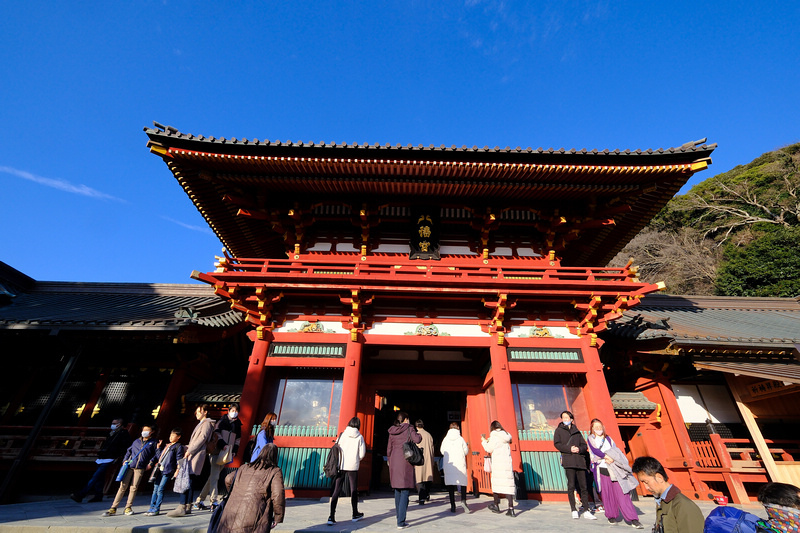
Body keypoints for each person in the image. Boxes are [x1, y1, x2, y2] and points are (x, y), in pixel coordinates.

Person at [586, 418, 642, 528]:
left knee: (623, 493)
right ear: (592, 429)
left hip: (614, 468)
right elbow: (595, 451)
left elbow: (616, 452)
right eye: (595, 427)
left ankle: (633, 519)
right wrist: (606, 457)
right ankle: (611, 516)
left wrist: (611, 458)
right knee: (607, 494)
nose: (598, 428)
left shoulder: (609, 439)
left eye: (599, 426)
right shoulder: (590, 439)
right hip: (602, 468)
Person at [217, 443, 285, 533]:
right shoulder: (274, 471)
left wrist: (234, 493)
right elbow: (278, 494)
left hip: (230, 513)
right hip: (254, 514)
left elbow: (228, 479)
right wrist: (278, 516)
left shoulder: (245, 467)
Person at [631, 456, 703, 533]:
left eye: (646, 482)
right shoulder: (663, 502)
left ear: (659, 478)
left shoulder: (683, 505)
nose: (646, 487)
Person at [168, 403, 214, 517]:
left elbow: (202, 438)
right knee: (190, 480)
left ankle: (182, 505)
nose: (197, 414)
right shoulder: (202, 423)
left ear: (205, 412)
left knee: (185, 478)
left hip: (195, 454)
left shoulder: (207, 424)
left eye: (199, 411)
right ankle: (188, 505)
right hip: (193, 452)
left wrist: (190, 450)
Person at [71, 417, 131, 503]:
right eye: (112, 423)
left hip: (111, 457)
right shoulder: (111, 433)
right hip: (103, 457)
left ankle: (81, 494)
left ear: (119, 424)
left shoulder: (123, 434)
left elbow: (125, 447)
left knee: (96, 476)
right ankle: (98, 495)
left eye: (115, 423)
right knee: (100, 477)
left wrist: (119, 457)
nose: (113, 425)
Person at [102, 423, 158, 516]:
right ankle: (113, 507)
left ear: (152, 432)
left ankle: (128, 507)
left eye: (147, 430)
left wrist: (151, 463)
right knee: (122, 486)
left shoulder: (154, 442)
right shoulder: (136, 441)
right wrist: (125, 460)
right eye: (144, 430)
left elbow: (156, 455)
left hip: (140, 467)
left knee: (134, 487)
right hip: (130, 466)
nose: (144, 432)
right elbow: (129, 451)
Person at [196, 403, 242, 509]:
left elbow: (238, 439)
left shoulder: (238, 424)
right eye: (232, 410)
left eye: (236, 410)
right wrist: (223, 444)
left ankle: (199, 500)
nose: (234, 412)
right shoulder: (221, 422)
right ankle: (214, 500)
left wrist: (234, 450)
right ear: (228, 411)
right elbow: (217, 434)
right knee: (215, 476)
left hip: (226, 452)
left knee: (213, 476)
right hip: (217, 451)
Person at [553, 410, 596, 520]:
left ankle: (586, 509)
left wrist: (579, 449)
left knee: (584, 486)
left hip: (580, 461)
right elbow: (557, 444)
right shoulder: (558, 431)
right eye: (563, 417)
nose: (565, 419)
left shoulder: (577, 431)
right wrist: (569, 449)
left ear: (571, 419)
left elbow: (584, 445)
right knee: (571, 485)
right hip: (569, 460)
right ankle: (573, 509)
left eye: (567, 417)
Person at [327, 416, 366, 526]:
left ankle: (331, 516)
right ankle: (355, 513)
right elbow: (362, 454)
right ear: (358, 425)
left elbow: (336, 449)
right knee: (353, 489)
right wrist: (356, 459)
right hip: (353, 466)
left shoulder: (342, 435)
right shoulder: (360, 437)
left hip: (341, 465)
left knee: (337, 490)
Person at [387, 411, 422, 529]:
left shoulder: (392, 430)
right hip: (405, 460)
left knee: (397, 490)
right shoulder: (409, 428)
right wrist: (419, 434)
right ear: (406, 419)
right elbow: (417, 440)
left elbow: (389, 448)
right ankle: (401, 522)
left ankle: (399, 517)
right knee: (405, 490)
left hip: (394, 460)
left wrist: (389, 460)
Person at [144, 427, 185, 516]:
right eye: (170, 435)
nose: (171, 437)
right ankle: (151, 507)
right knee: (155, 488)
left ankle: (156, 508)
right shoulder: (167, 446)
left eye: (173, 435)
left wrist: (178, 470)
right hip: (159, 469)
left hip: (168, 470)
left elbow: (179, 459)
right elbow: (159, 457)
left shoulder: (178, 447)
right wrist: (158, 448)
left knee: (160, 489)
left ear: (178, 437)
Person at [481, 420, 516, 517]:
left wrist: (484, 441)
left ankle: (496, 505)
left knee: (496, 484)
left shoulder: (494, 436)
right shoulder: (506, 435)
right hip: (507, 464)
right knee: (508, 486)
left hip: (498, 464)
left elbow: (489, 449)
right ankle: (511, 509)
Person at [440, 422, 470, 514]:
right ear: (457, 428)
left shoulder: (446, 439)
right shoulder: (460, 439)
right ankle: (463, 501)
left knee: (450, 485)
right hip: (459, 463)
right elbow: (466, 451)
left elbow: (442, 451)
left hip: (450, 465)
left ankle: (453, 505)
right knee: (462, 482)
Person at [414, 419, 435, 505]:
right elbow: (432, 448)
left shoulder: (416, 435)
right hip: (428, 458)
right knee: (427, 477)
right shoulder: (428, 435)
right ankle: (427, 494)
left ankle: (421, 497)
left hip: (419, 459)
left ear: (416, 426)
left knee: (420, 478)